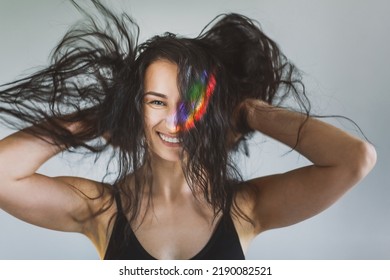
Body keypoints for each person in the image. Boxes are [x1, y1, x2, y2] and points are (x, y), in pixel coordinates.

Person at [0, 1, 376, 260]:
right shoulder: (100, 209)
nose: (175, 122)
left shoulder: (245, 208)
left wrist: (248, 111)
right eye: (157, 102)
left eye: (189, 103)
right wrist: (102, 116)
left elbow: (355, 159)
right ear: (138, 108)